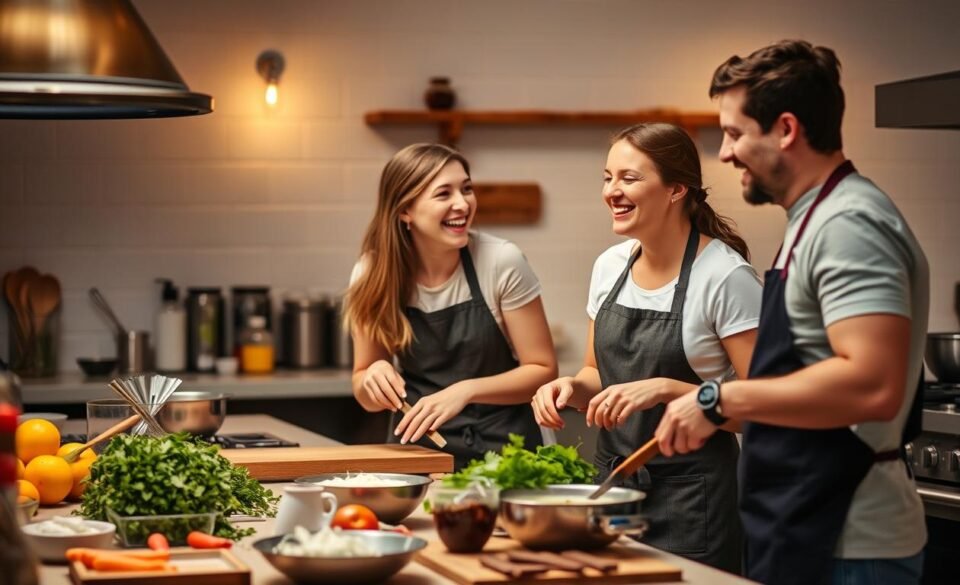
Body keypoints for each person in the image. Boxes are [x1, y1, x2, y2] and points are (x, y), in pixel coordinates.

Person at [654, 40, 928, 585]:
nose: (726, 153)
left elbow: (873, 384)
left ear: (785, 129)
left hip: (849, 542)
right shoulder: (813, 218)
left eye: (734, 133)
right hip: (804, 524)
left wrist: (716, 396)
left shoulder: (849, 224)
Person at [531, 123, 761, 572]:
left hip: (694, 504)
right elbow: (597, 374)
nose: (611, 192)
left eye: (629, 178)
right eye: (607, 177)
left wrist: (668, 389)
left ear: (677, 188)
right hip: (612, 492)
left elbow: (764, 413)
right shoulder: (609, 265)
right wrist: (568, 388)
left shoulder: (726, 277)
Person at [345, 143, 558, 470]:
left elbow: (542, 371)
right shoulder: (372, 272)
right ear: (405, 211)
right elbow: (363, 389)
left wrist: (465, 391)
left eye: (466, 189)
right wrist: (373, 376)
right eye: (444, 194)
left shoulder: (501, 261)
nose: (463, 204)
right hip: (422, 456)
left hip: (510, 453)